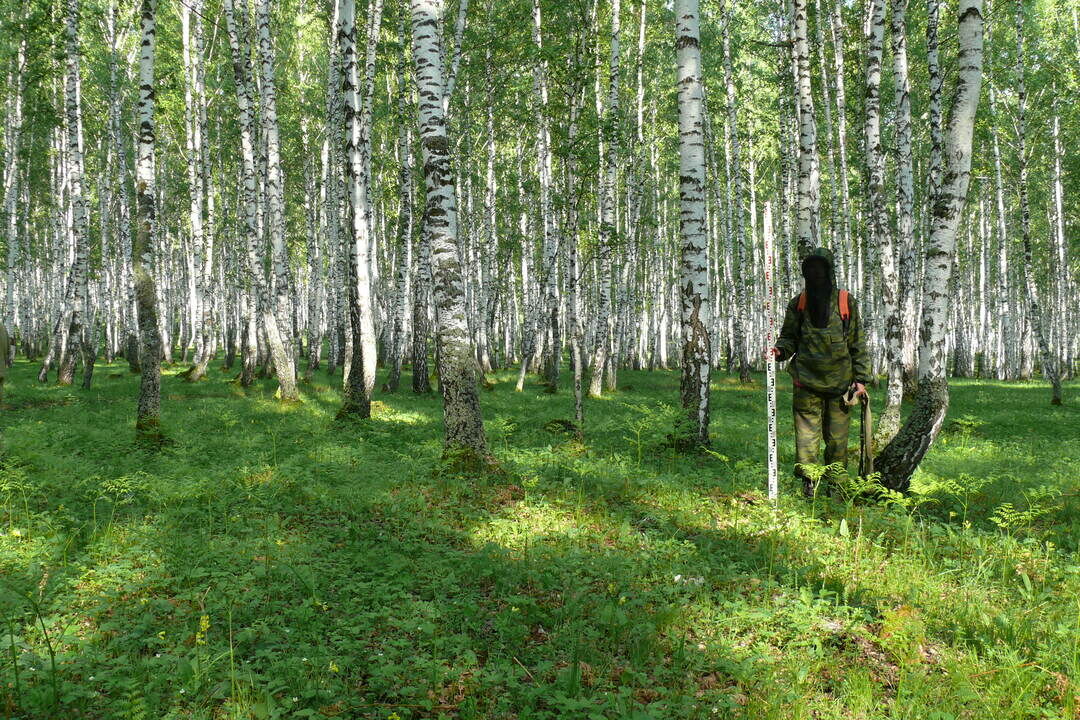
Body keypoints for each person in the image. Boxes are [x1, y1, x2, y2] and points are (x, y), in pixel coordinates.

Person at [770, 248, 870, 497]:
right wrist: (779, 352)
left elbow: (857, 341)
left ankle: (836, 487)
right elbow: (789, 337)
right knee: (806, 439)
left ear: (829, 271)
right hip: (806, 383)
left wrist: (861, 379)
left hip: (841, 385)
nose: (815, 273)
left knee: (837, 441)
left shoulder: (846, 301)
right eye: (810, 269)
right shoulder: (799, 303)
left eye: (820, 268)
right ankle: (809, 484)